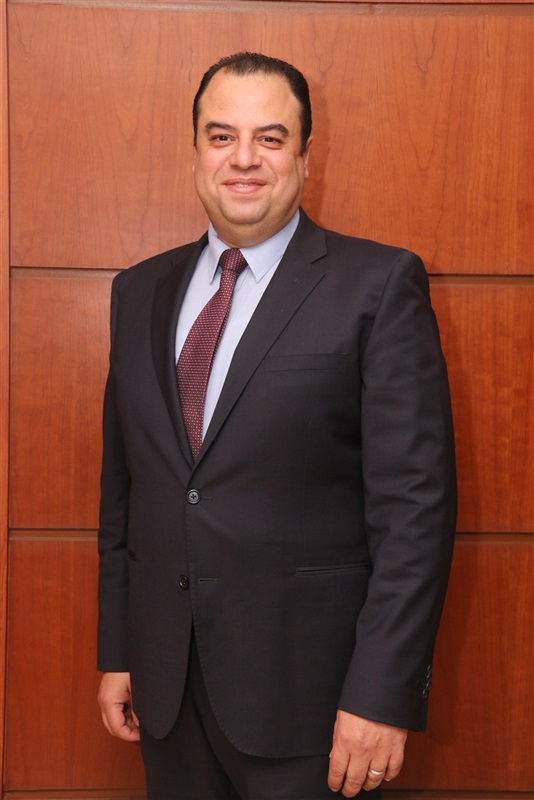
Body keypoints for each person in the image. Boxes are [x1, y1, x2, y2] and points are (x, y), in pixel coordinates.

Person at [97, 52, 457, 800]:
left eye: (270, 137)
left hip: (314, 708)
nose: (243, 159)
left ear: (304, 156)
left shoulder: (379, 285)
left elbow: (415, 513)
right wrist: (121, 650)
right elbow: (124, 495)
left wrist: (381, 695)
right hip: (167, 695)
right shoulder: (138, 292)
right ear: (195, 152)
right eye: (221, 136)